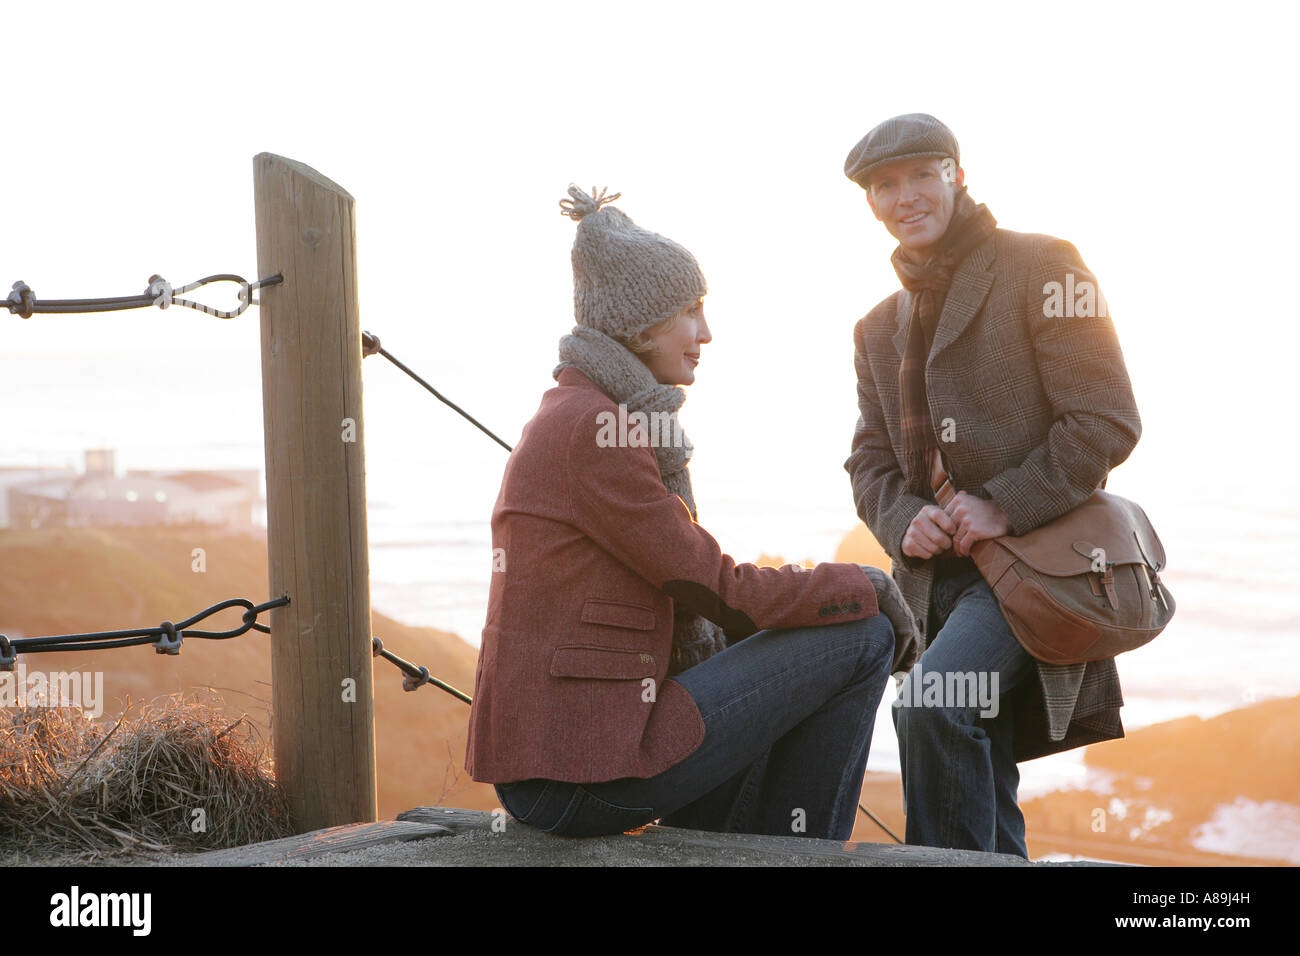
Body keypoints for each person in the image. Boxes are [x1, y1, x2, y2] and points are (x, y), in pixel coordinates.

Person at [464, 185, 920, 840]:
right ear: (640, 323)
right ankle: (797, 855)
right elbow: (714, 586)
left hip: (570, 757)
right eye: (690, 312)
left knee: (812, 633)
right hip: (576, 776)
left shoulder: (586, 412)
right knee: (863, 633)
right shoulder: (596, 428)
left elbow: (698, 582)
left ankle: (766, 846)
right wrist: (864, 584)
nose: (706, 332)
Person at [841, 114, 1142, 857]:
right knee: (981, 757)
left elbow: (1105, 420)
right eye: (885, 185)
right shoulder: (876, 328)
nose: (905, 195)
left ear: (958, 174)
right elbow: (868, 461)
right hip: (936, 586)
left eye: (922, 174)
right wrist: (904, 517)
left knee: (931, 708)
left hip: (1035, 569)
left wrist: (1002, 502)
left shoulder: (1044, 266)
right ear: (871, 203)